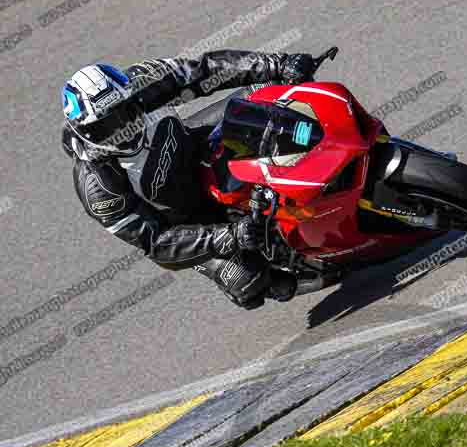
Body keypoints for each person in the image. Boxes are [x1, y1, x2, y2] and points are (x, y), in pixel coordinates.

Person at [61, 50, 316, 309]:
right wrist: (228, 236)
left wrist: (277, 64)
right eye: (105, 127)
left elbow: (204, 70)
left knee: (271, 87)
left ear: (130, 97)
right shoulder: (99, 186)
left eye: (123, 113)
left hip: (194, 147)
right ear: (85, 132)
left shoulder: (143, 82)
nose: (120, 129)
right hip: (187, 221)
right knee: (247, 281)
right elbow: (156, 243)